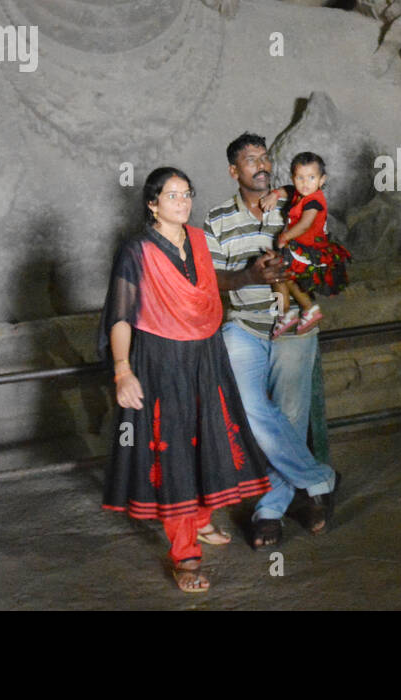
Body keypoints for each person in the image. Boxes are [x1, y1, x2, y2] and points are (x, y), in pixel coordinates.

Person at [100, 167, 272, 593]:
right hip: (162, 360)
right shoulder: (136, 251)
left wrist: (251, 275)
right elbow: (120, 315)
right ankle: (184, 553)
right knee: (174, 448)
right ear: (152, 204)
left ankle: (199, 519)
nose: (182, 202)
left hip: (205, 354)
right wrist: (123, 370)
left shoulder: (197, 239)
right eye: (171, 196)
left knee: (208, 434)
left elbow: (208, 287)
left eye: (186, 194)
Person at [204, 134, 339, 550]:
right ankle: (318, 479)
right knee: (248, 407)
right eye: (250, 160)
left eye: (265, 157)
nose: (261, 165)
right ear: (234, 171)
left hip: (294, 324)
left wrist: (300, 262)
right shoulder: (218, 219)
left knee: (291, 414)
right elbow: (210, 281)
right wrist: (248, 276)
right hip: (244, 324)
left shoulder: (297, 201)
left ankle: (269, 508)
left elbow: (322, 257)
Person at [262, 152, 353, 337]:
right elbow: (289, 190)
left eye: (311, 177)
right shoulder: (302, 192)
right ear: (293, 178)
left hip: (306, 250)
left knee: (278, 273)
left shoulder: (314, 201)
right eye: (300, 177)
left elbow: (305, 224)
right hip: (298, 247)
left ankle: (287, 313)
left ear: (321, 180)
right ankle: (302, 310)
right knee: (286, 277)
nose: (305, 183)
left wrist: (285, 236)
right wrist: (275, 193)